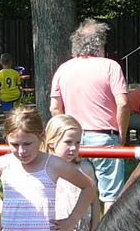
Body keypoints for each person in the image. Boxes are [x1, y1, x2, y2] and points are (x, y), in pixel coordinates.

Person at [50, 19, 129, 212]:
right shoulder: (110, 66)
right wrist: (122, 134)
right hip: (104, 137)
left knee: (78, 192)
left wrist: (65, 134)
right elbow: (123, 103)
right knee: (111, 196)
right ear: (100, 43)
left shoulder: (63, 69)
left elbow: (54, 108)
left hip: (73, 141)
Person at [44, 114, 101, 231]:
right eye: (68, 142)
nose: (73, 148)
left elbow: (94, 202)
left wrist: (95, 229)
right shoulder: (44, 169)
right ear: (51, 142)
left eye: (77, 143)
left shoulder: (85, 169)